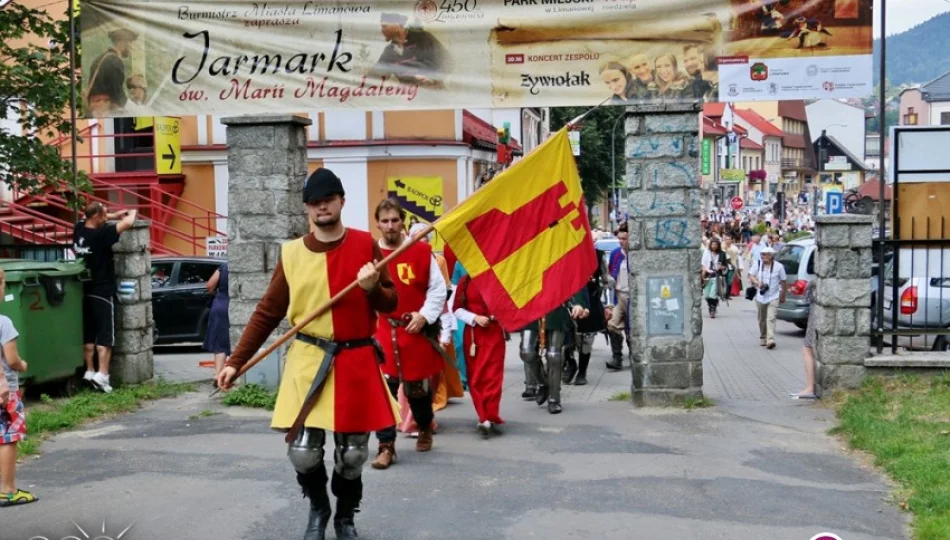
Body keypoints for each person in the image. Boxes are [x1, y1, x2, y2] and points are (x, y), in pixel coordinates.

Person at [216, 168, 400, 540]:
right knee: (303, 452)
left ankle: (345, 517)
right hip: (309, 359)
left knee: (351, 455)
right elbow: (267, 312)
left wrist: (370, 290)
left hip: (356, 360)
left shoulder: (367, 245)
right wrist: (236, 361)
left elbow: (391, 302)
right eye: (314, 204)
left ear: (341, 201)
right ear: (307, 209)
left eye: (328, 201)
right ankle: (319, 508)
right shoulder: (293, 253)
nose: (321, 208)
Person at [370, 199, 447, 469]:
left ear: (402, 221)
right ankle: (386, 446)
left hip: (414, 331)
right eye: (385, 221)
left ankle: (425, 426)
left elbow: (437, 289)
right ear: (377, 223)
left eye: (394, 220)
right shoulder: (371, 255)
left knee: (418, 392)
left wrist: (424, 315)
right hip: (383, 333)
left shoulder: (421, 251)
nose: (390, 225)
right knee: (385, 392)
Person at [73, 203, 138, 393]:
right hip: (102, 290)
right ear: (98, 216)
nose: (106, 217)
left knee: (89, 334)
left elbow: (94, 218)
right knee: (105, 336)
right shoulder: (102, 235)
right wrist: (131, 212)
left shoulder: (79, 230)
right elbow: (128, 222)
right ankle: (103, 375)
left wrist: (112, 214)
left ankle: (90, 371)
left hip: (84, 289)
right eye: (104, 215)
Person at [451, 270, 506, 436]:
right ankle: (483, 416)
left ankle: (490, 414)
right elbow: (457, 309)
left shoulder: (498, 278)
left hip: (494, 334)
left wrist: (499, 315)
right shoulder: (465, 282)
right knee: (476, 376)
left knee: (493, 376)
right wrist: (474, 318)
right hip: (474, 336)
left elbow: (509, 306)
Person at [519, 291, 589, 415]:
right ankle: (543, 384)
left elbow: (573, 278)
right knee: (526, 353)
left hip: (555, 307)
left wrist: (578, 303)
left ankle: (554, 398)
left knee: (554, 356)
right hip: (529, 307)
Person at [0, 269, 36, 507]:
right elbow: (11, 359)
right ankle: (8, 490)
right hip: (6, 393)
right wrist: (22, 365)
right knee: (7, 438)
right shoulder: (4, 322)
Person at [369, 12, 449, 86]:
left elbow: (448, 60)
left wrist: (434, 78)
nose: (382, 30)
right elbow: (373, 77)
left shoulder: (423, 38)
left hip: (435, 93)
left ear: (396, 25)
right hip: (410, 97)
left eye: (384, 26)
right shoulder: (389, 52)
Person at [571, 249, 609, 386]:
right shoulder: (562, 253)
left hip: (591, 300)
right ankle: (570, 363)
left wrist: (608, 304)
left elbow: (606, 280)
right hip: (567, 300)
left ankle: (582, 372)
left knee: (586, 340)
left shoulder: (598, 255)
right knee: (564, 339)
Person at [85, 28, 138, 117]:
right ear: (122, 42)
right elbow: (117, 94)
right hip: (105, 112)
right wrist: (136, 110)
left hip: (95, 109)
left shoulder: (100, 59)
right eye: (130, 42)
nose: (131, 47)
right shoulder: (114, 61)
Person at [749, 246, 787, 349]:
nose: (763, 256)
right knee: (761, 318)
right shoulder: (757, 264)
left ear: (771, 256)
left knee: (771, 318)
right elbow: (750, 275)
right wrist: (757, 282)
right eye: (762, 254)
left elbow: (783, 281)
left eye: (765, 254)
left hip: (774, 295)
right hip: (760, 296)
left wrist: (783, 295)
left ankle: (770, 339)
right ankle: (763, 337)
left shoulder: (779, 267)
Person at [605, 223, 630, 370]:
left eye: (624, 238)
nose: (621, 241)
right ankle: (617, 357)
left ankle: (635, 356)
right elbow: (608, 277)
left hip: (634, 296)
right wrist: (608, 303)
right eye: (619, 238)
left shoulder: (636, 254)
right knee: (612, 324)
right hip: (619, 295)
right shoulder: (615, 254)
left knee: (632, 329)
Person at [203, 262, 230, 385]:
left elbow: (209, 285)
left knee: (219, 341)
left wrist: (218, 295)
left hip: (220, 304)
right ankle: (225, 373)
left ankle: (218, 374)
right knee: (230, 340)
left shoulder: (224, 266)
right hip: (232, 304)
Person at [792, 280, 818, 400]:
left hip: (815, 316)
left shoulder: (814, 282)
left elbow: (807, 297)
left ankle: (810, 387)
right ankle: (810, 387)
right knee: (809, 349)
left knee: (807, 349)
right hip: (820, 316)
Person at [701, 239, 728, 318]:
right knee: (706, 295)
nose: (714, 246)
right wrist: (703, 271)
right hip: (707, 275)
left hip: (717, 276)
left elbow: (725, 266)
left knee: (713, 294)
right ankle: (711, 306)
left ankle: (713, 309)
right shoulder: (706, 252)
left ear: (718, 245)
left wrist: (721, 267)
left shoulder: (722, 254)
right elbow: (703, 264)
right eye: (713, 244)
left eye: (716, 245)